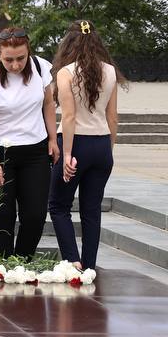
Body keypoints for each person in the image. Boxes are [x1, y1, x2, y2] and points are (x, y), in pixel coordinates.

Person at [0, 26, 59, 259]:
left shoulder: (39, 67)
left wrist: (53, 138)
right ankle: (4, 266)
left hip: (35, 151)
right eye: (9, 60)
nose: (15, 65)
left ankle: (23, 263)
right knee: (3, 216)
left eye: (21, 58)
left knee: (35, 215)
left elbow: (48, 104)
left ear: (28, 51)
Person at [49, 20, 125, 270]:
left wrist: (67, 154)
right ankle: (89, 265)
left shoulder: (66, 72)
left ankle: (73, 262)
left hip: (75, 143)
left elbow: (69, 116)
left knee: (59, 205)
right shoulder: (110, 71)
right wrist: (108, 150)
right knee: (91, 210)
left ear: (68, 43)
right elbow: (112, 117)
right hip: (101, 144)